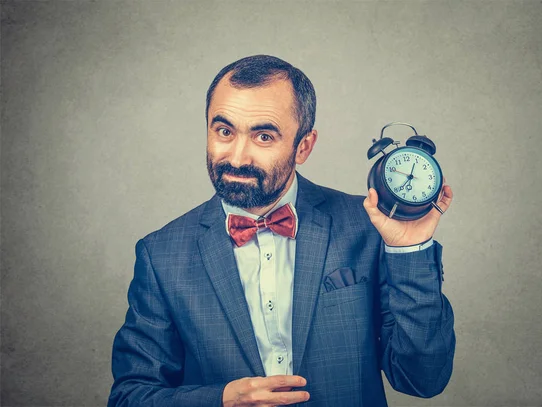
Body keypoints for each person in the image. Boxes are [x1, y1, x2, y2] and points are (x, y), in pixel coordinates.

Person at [108, 55, 455, 407]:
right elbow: (130, 397)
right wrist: (221, 400)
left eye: (263, 136)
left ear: (303, 146)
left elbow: (422, 379)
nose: (238, 157)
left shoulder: (368, 227)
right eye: (224, 131)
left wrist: (409, 251)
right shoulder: (160, 255)